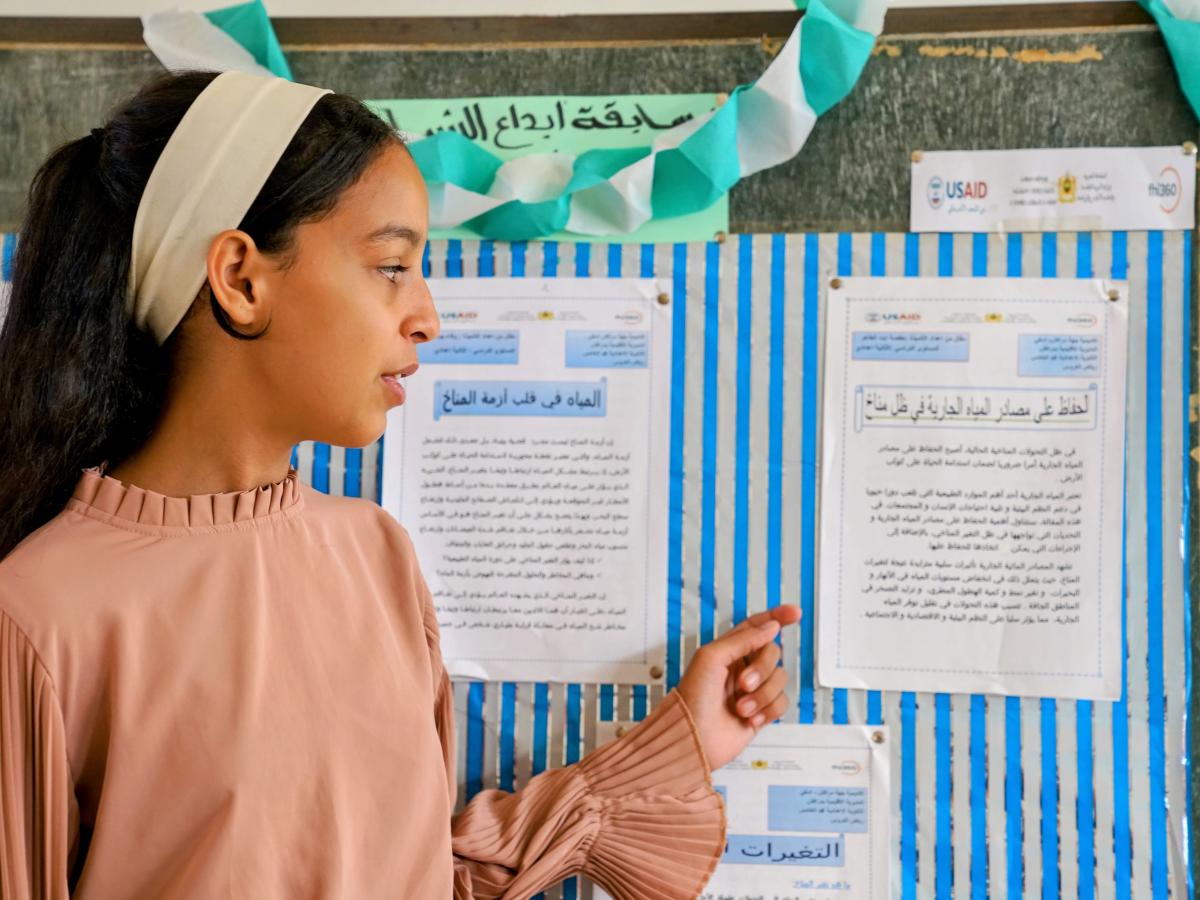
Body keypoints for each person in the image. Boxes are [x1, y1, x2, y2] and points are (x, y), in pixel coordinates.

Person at [0, 69, 801, 899]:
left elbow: (416, 873)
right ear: (241, 278)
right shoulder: (39, 616)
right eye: (391, 265)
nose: (427, 315)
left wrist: (686, 742)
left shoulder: (376, 553)